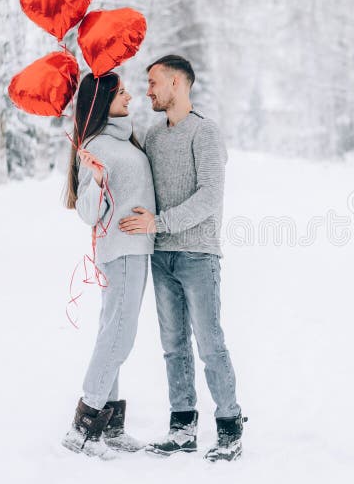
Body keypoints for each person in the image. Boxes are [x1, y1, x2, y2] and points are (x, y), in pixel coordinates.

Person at [119, 55, 245, 462]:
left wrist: (161, 223)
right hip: (162, 256)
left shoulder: (206, 133)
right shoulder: (154, 137)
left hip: (198, 254)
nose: (148, 90)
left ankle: (229, 426)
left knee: (209, 343)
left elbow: (209, 197)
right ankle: (182, 427)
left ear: (177, 83)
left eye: (154, 82)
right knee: (173, 345)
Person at [61, 72, 156, 459]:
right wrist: (97, 179)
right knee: (119, 335)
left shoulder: (121, 139)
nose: (129, 96)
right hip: (122, 250)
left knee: (113, 332)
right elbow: (87, 212)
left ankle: (111, 427)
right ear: (102, 101)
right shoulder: (98, 146)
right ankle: (83, 428)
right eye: (120, 93)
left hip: (135, 249)